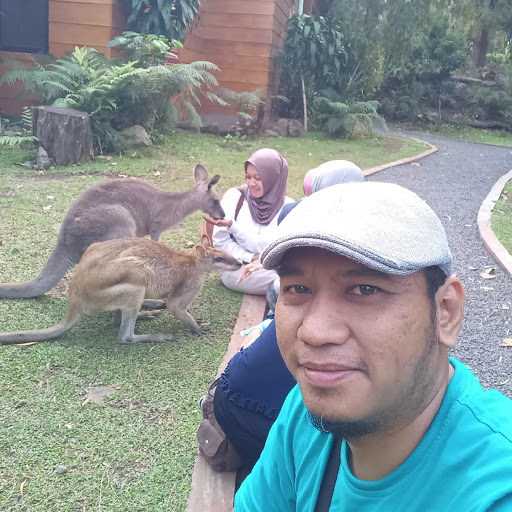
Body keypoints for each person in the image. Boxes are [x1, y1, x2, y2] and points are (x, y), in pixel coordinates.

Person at [235, 182, 512, 511]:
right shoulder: (305, 410)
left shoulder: (495, 489)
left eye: (365, 289)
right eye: (298, 288)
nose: (314, 332)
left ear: (445, 312)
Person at [198, 161, 365, 472]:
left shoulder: (290, 210)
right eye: (298, 288)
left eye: (364, 290)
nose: (252, 183)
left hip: (243, 394)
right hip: (242, 400)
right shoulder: (256, 205)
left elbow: (271, 248)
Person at [203, 148, 294, 295]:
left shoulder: (288, 206)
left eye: (258, 178)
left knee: (291, 275)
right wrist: (250, 257)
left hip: (271, 268)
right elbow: (220, 242)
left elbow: (273, 247)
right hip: (236, 267)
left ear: (274, 178)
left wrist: (234, 227)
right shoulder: (235, 196)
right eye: (248, 176)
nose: (251, 183)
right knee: (292, 279)